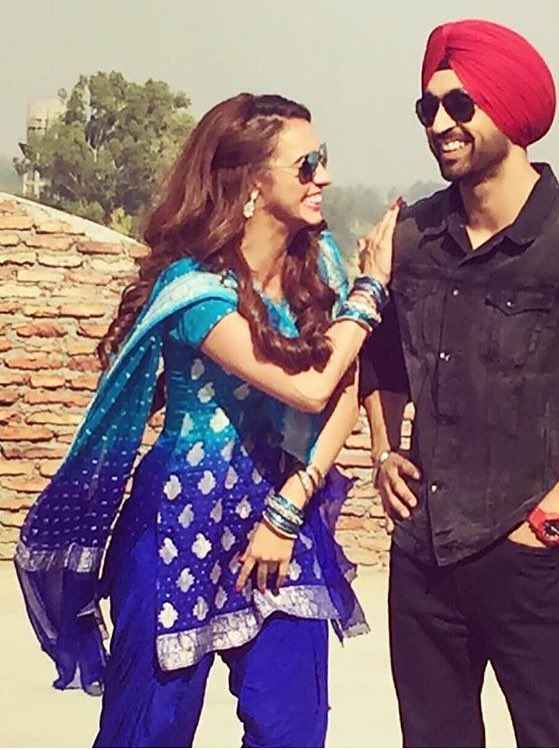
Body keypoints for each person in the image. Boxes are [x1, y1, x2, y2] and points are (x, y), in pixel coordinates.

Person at [15, 92, 400, 748]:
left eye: (324, 159)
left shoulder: (318, 268)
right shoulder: (195, 291)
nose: (326, 178)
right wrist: (371, 291)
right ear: (252, 182)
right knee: (149, 732)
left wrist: (289, 507)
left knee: (292, 731)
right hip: (176, 530)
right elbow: (309, 387)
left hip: (282, 524)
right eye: (307, 165)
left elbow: (345, 388)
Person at [360, 20, 559, 749]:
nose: (440, 124)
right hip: (424, 553)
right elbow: (383, 358)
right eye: (428, 107)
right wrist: (384, 450)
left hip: (527, 554)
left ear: (510, 109)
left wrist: (552, 519)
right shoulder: (413, 238)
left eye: (460, 105)